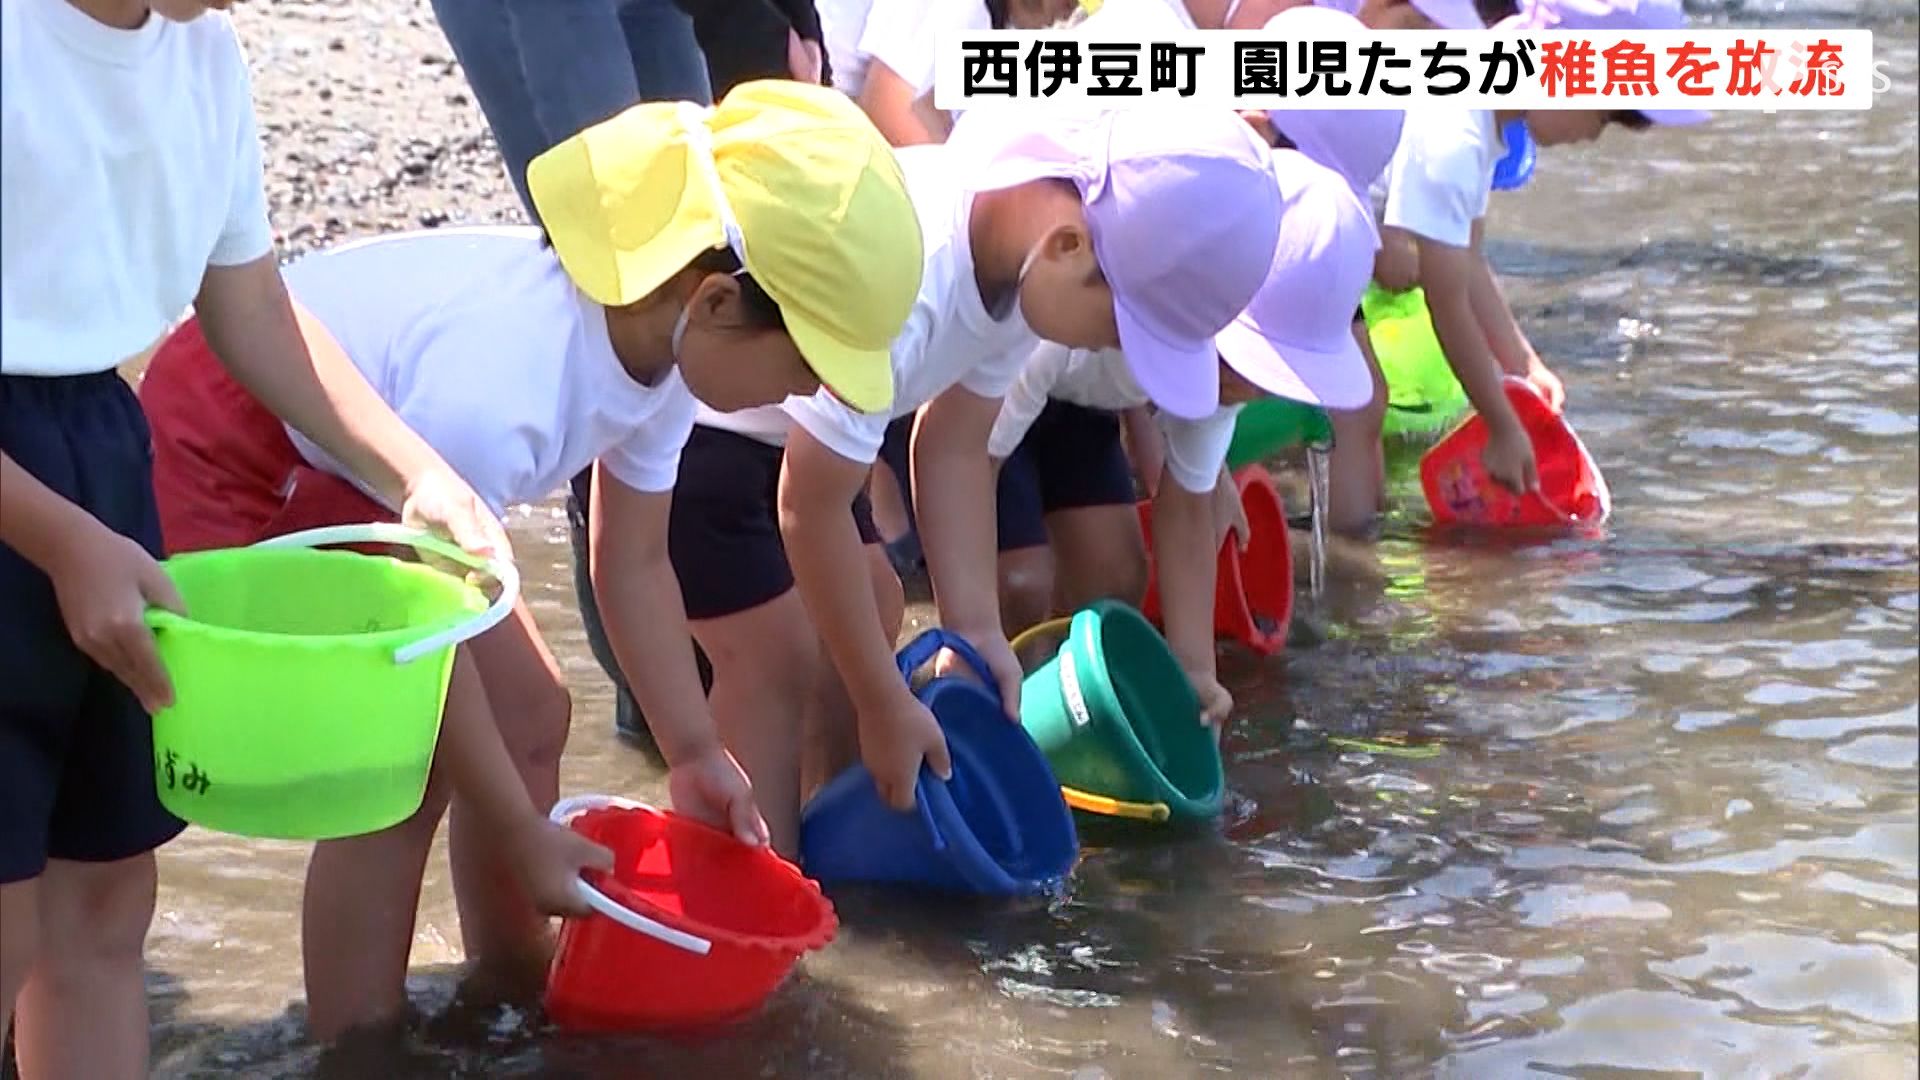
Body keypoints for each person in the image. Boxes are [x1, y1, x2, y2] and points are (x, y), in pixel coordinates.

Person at [137, 84, 925, 1039]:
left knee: (533, 712)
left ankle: (507, 986)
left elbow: (631, 563)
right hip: (243, 434)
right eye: (806, 362)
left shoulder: (666, 360)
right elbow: (428, 637)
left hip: (379, 485)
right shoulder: (506, 381)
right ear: (716, 298)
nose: (809, 393)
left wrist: (693, 751)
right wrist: (517, 825)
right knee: (402, 760)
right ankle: (360, 1046)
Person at [0, 0, 510, 1073]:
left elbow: (250, 308)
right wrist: (56, 540)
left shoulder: (202, 58)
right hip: (23, 486)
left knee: (103, 894)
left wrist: (412, 470)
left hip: (100, 446)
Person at [676, 105, 1283, 854]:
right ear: (1067, 245)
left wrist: (976, 629)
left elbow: (957, 446)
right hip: (700, 430)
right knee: (780, 661)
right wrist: (880, 701)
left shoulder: (1017, 271)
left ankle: (823, 878)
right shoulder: (915, 274)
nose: (1114, 353)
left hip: (790, 440)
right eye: (1122, 329)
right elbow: (809, 506)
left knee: (874, 604)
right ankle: (752, 876)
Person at [987, 150, 1381, 720]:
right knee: (1020, 583)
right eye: (1251, 366)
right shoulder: (1075, 294)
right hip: (987, 380)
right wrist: (968, 621)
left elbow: (1188, 506)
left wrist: (1193, 670)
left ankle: (1058, 722)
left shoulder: (1224, 364)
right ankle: (987, 710)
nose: (1246, 390)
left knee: (1116, 584)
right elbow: (972, 457)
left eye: (1271, 377)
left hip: (1088, 403)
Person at [1374, 0, 1704, 501]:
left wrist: (1522, 365)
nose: (1594, 135)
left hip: (1355, 238)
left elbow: (1467, 258)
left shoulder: (1481, 96)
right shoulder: (1456, 133)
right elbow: (1447, 301)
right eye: (1607, 113)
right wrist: (1501, 424)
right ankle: (1351, 552)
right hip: (1296, 237)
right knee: (1360, 415)